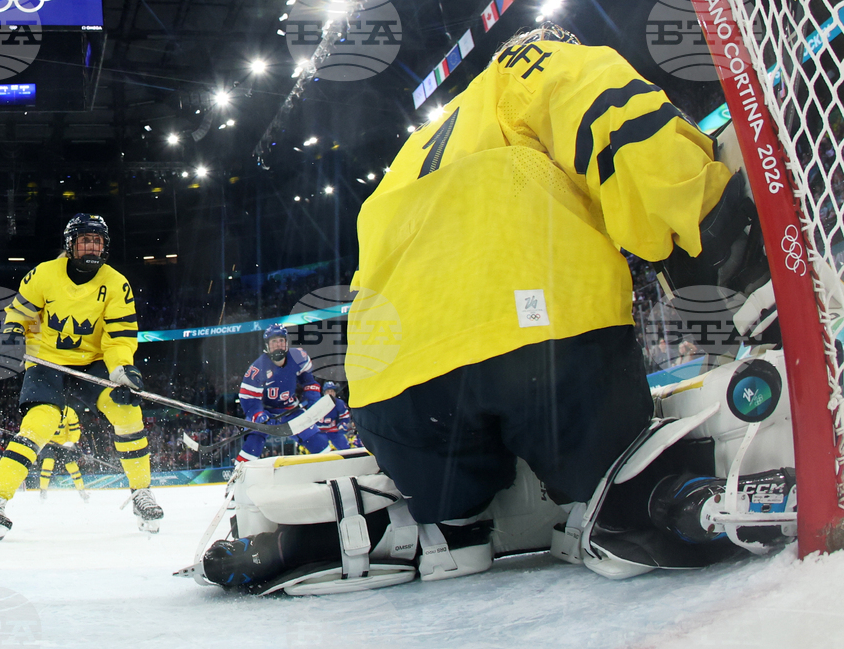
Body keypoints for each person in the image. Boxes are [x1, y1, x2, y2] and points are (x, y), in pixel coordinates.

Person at [199, 24, 780, 591]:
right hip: (539, 341)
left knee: (446, 502)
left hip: (397, 388)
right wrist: (713, 235)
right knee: (603, 469)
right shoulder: (525, 67)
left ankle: (442, 530)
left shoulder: (412, 150)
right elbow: (612, 114)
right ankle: (625, 502)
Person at [0, 213, 163, 540]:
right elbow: (19, 312)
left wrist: (122, 371)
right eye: (85, 240)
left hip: (94, 363)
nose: (91, 246)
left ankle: (142, 493)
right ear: (70, 244)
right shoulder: (43, 274)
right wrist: (14, 331)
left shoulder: (117, 283)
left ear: (105, 246)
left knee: (128, 411)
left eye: (97, 241)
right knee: (40, 422)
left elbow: (119, 337)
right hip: (47, 360)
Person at [236, 324, 332, 462]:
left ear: (286, 342)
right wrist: (258, 414)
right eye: (273, 341)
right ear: (267, 345)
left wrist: (313, 400)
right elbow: (249, 399)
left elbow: (309, 382)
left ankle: (330, 468)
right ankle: (240, 473)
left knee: (318, 441)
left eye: (281, 340)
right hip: (267, 413)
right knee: (253, 442)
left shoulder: (298, 356)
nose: (278, 345)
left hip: (290, 410)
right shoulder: (257, 369)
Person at [38, 406, 90, 502]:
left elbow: (75, 430)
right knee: (48, 463)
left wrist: (71, 442)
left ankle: (82, 491)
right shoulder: (46, 410)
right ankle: (43, 490)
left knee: (72, 466)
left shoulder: (70, 412)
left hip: (64, 444)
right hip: (48, 442)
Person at [316, 382, 355, 451]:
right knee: (321, 451)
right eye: (328, 391)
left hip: (334, 431)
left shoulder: (339, 403)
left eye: (332, 391)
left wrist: (342, 424)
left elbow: (345, 418)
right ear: (324, 393)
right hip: (320, 432)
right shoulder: (317, 402)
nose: (330, 393)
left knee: (345, 449)